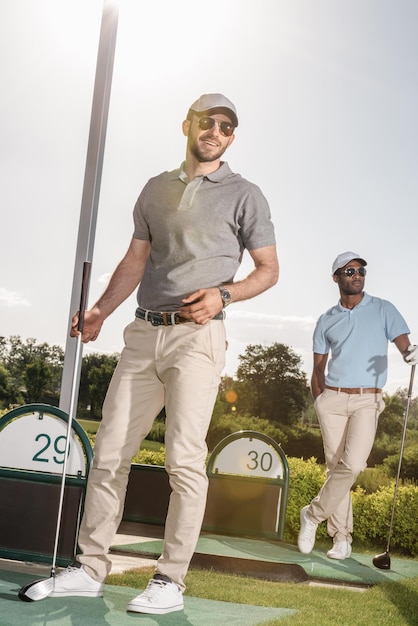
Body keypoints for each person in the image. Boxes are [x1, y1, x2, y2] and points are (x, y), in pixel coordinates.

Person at [50, 94, 279, 614]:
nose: (215, 130)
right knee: (108, 454)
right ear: (188, 125)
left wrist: (224, 294)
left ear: (232, 136)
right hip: (142, 333)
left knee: (183, 459)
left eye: (226, 125)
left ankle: (170, 581)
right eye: (207, 121)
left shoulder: (246, 195)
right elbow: (136, 258)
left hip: (198, 339)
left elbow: (268, 269)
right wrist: (101, 311)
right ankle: (90, 568)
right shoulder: (155, 188)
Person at [298, 251, 417, 560]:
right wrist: (321, 401)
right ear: (337, 277)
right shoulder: (327, 320)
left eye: (361, 270)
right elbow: (317, 369)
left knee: (352, 466)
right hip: (333, 398)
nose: (358, 275)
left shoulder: (383, 309)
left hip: (368, 398)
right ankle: (341, 538)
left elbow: (405, 345)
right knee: (335, 468)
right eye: (350, 271)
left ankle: (312, 514)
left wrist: (410, 354)